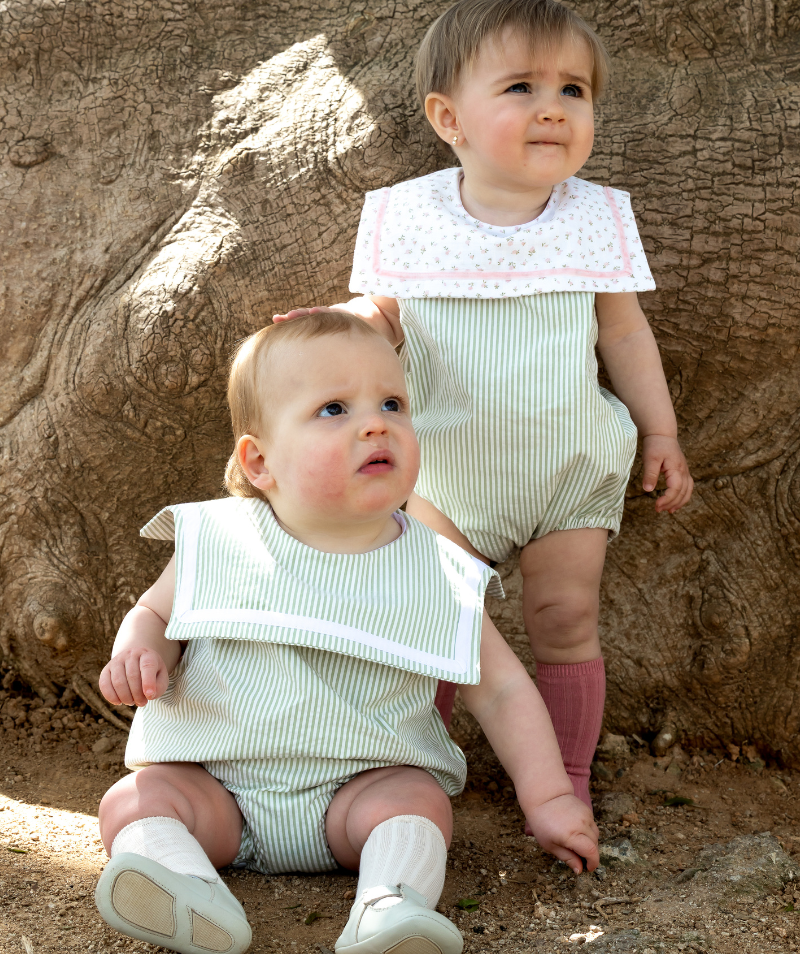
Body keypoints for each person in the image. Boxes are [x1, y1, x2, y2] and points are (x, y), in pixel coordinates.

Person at [274, 0, 694, 808]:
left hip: (570, 467)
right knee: (440, 629)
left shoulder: (595, 218)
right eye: (521, 89)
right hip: (444, 473)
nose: (553, 109)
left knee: (565, 616)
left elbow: (625, 335)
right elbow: (383, 318)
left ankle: (566, 778)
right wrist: (338, 325)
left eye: (574, 91)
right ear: (449, 117)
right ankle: (415, 770)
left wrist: (660, 430)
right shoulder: (409, 217)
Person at [94, 312, 599, 954]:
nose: (374, 422)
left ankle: (388, 907)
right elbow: (158, 614)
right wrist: (139, 647)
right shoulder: (217, 538)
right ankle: (184, 886)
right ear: (259, 460)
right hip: (216, 789)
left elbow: (499, 688)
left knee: (418, 802)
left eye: (393, 402)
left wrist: (550, 797)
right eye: (334, 408)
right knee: (134, 799)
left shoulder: (436, 565)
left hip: (358, 797)